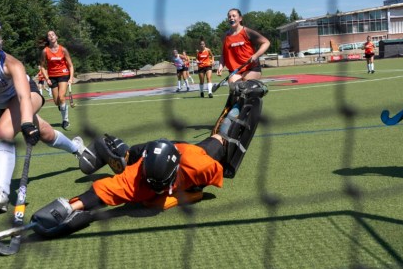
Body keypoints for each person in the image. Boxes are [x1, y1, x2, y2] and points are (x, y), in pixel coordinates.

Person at [29, 79, 269, 238]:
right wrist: (66, 208)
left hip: (184, 153)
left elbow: (217, 152)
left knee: (223, 139)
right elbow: (100, 193)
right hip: (143, 153)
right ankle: (107, 148)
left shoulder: (198, 163)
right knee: (127, 156)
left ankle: (242, 96)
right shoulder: (136, 179)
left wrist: (240, 104)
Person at [0, 14, 86, 212]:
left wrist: (26, 124)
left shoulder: (11, 64)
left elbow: (24, 98)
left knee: (3, 133)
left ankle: (1, 193)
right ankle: (77, 149)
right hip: (2, 106)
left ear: (0, 44)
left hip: (28, 96)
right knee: (46, 133)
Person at [217, 8, 270, 85]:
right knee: (235, 90)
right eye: (229, 16)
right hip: (234, 70)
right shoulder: (225, 36)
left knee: (246, 88)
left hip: (251, 68)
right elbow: (223, 54)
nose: (231, 18)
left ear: (240, 18)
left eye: (234, 16)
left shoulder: (247, 32)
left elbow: (266, 42)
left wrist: (255, 55)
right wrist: (221, 66)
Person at [40, 30, 74, 130]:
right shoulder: (45, 51)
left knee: (61, 97)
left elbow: (71, 65)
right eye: (49, 35)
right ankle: (61, 106)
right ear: (48, 39)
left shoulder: (63, 50)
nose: (51, 36)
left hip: (64, 74)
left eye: (53, 34)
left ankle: (65, 120)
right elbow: (42, 66)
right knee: (56, 101)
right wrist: (47, 78)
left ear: (56, 37)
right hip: (52, 77)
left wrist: (71, 78)